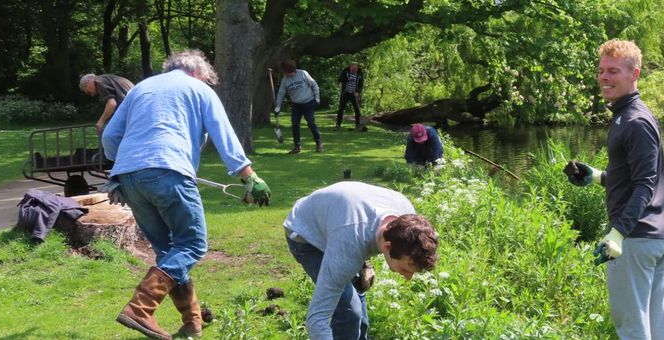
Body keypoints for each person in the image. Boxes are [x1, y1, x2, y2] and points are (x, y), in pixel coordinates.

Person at [102, 49, 271, 340]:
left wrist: (130, 165)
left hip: (128, 179)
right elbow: (224, 134)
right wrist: (249, 176)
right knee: (193, 244)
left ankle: (192, 323)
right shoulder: (198, 89)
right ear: (198, 73)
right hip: (169, 173)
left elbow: (109, 137)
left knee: (169, 251)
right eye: (206, 79)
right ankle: (140, 308)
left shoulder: (141, 88)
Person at [563, 39, 664, 339]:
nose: (603, 77)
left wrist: (618, 233)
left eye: (613, 71)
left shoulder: (635, 121)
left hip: (636, 239)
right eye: (601, 70)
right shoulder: (627, 116)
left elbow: (645, 185)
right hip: (656, 237)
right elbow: (636, 176)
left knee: (632, 329)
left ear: (634, 74)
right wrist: (597, 177)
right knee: (658, 326)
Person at [284, 181, 439, 339]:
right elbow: (317, 320)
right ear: (387, 247)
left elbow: (361, 236)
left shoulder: (408, 219)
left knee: (360, 315)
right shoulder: (349, 243)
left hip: (342, 223)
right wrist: (357, 260)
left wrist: (364, 262)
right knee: (350, 311)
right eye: (406, 269)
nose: (408, 277)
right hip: (306, 234)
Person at [275, 59, 322, 154]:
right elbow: (281, 93)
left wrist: (317, 98)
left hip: (308, 102)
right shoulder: (285, 80)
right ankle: (297, 146)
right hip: (296, 105)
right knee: (295, 124)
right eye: (287, 73)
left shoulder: (303, 73)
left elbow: (314, 85)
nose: (290, 75)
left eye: (291, 73)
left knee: (310, 123)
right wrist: (278, 106)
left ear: (294, 70)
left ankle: (318, 143)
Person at [336, 62, 364, 131]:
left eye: (356, 69)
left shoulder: (360, 73)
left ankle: (358, 124)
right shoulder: (345, 71)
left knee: (357, 110)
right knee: (341, 109)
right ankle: (338, 124)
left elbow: (361, 84)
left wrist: (358, 92)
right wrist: (346, 78)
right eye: (353, 69)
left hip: (354, 94)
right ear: (350, 67)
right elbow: (339, 80)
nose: (355, 70)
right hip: (345, 93)